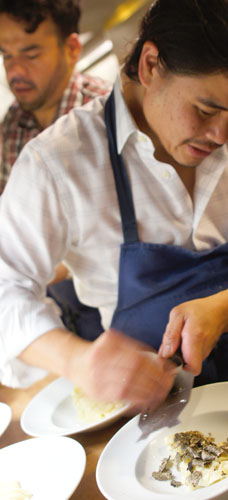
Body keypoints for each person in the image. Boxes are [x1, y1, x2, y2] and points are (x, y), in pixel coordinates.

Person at [0, 0, 228, 430]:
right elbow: (6, 286)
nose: (222, 135)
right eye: (206, 111)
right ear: (151, 65)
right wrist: (78, 360)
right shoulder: (58, 163)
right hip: (158, 418)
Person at [0, 0, 113, 338]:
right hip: (57, 309)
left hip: (119, 306)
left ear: (72, 48)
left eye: (31, 54)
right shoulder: (11, 128)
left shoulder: (107, 115)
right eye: (6, 55)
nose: (15, 71)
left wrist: (29, 268)